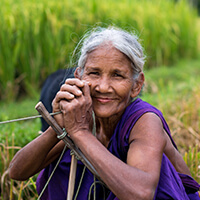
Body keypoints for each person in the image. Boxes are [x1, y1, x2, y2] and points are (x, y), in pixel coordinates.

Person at [9, 26, 200, 200]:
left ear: (136, 86)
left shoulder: (143, 119)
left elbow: (141, 194)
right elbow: (17, 172)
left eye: (117, 75)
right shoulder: (81, 116)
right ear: (78, 77)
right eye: (94, 73)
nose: (103, 86)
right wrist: (58, 126)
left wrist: (81, 134)